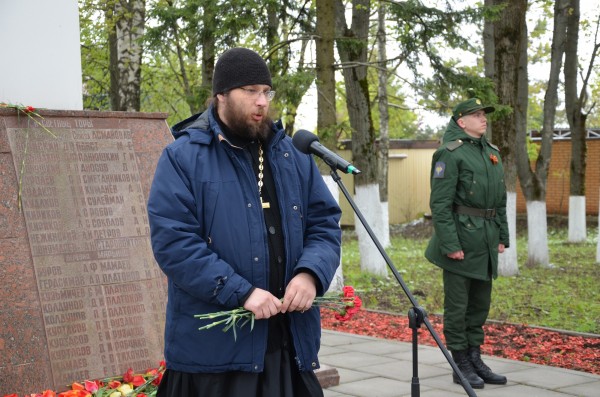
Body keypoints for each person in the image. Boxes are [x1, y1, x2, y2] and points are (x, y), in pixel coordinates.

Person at [147, 47, 342, 397]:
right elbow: (175, 244)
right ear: (221, 94)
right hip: (217, 357)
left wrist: (310, 274)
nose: (262, 101)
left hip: (287, 346)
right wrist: (242, 292)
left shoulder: (292, 156)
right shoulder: (183, 157)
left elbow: (325, 224)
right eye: (250, 91)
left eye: (266, 92)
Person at [425, 97, 509, 389]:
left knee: (479, 306)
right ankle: (459, 362)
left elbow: (500, 201)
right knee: (458, 307)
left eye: (484, 114)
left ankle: (475, 359)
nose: (483, 118)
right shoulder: (450, 154)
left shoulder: (491, 153)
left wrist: (502, 236)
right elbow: (440, 203)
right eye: (476, 115)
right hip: (461, 240)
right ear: (461, 122)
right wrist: (450, 244)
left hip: (485, 242)